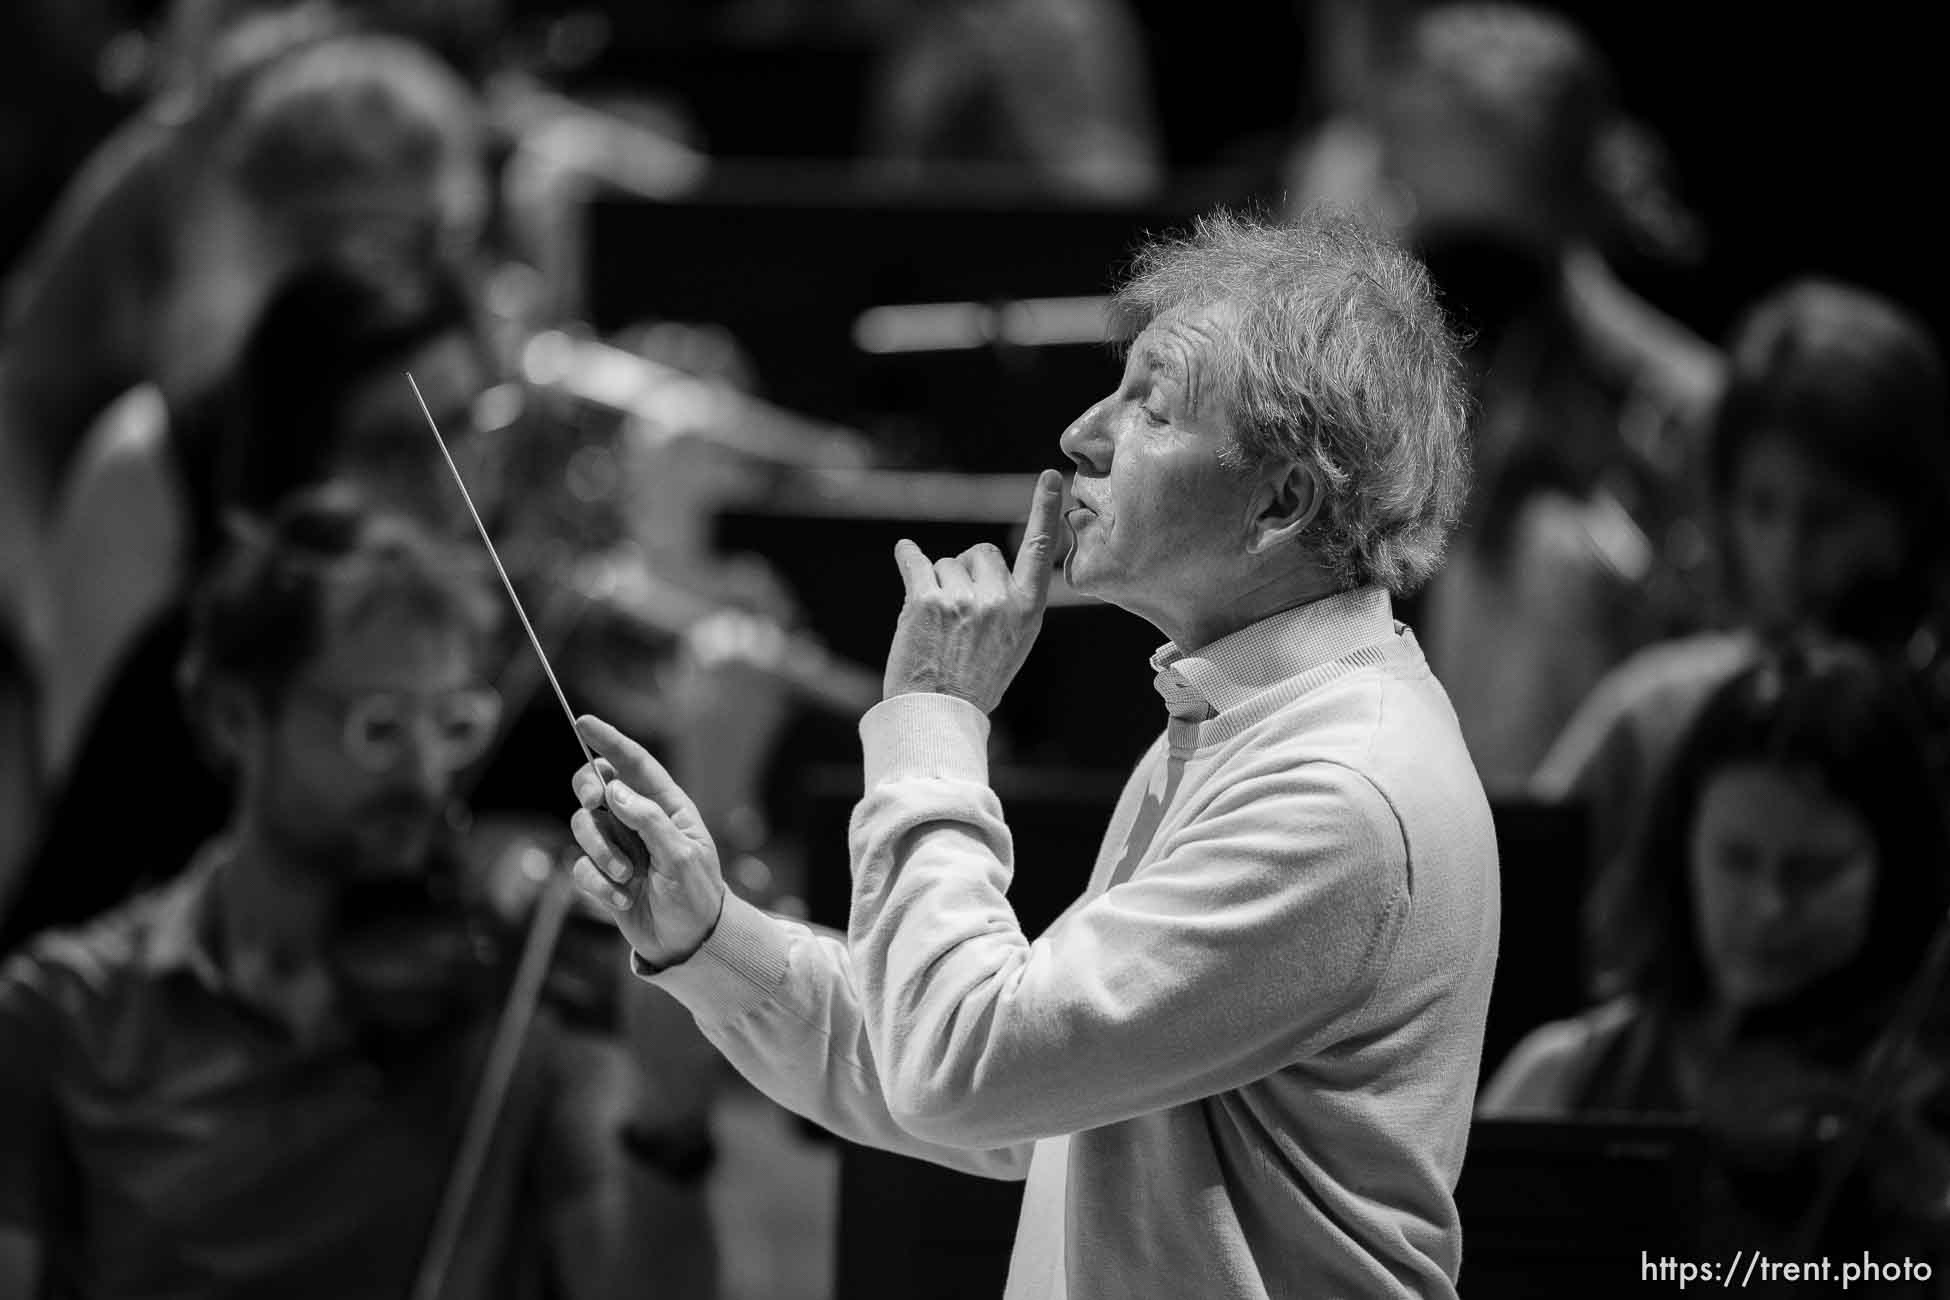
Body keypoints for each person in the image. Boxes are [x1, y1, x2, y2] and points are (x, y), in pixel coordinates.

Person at [566, 207, 1498, 1298]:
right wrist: (711, 938)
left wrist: (937, 713)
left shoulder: (1336, 794)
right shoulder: (1239, 717)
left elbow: (964, 1064)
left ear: (1283, 498)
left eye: (1151, 405)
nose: (1082, 433)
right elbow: (1018, 1096)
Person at [0, 488, 639, 1298]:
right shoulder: (61, 1015)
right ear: (237, 718)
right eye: (379, 727)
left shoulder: (515, 995)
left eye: (454, 725)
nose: (425, 776)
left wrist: (667, 1128)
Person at [1304, 2, 1721, 788]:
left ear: (1564, 215)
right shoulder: (1343, 387)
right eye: (1418, 227)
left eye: (1483, 259)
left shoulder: (1679, 409)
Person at [1482, 646, 1950, 1272]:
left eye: (1813, 871)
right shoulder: (1566, 1077)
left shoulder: (1921, 1104)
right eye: (1736, 860)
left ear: (1895, 871)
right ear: (1683, 851)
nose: (1768, 907)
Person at [1533, 279, 1950, 903]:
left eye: (1828, 516)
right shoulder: (1656, 718)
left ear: (1911, 518)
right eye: (1760, 508)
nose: (1785, 555)